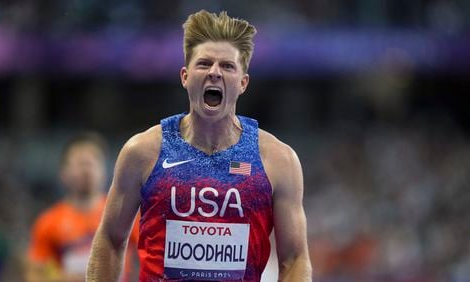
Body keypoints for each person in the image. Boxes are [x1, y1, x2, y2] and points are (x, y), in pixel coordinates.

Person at [87, 10, 312, 281]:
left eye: (227, 66)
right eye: (204, 64)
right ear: (185, 76)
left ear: (243, 83)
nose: (215, 72)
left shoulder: (277, 160)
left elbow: (295, 258)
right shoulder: (142, 152)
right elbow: (110, 239)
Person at [26, 132, 139, 282]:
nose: (87, 169)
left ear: (105, 171)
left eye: (93, 161)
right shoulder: (48, 222)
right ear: (63, 173)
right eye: (80, 163)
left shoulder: (126, 213)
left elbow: (148, 260)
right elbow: (34, 275)